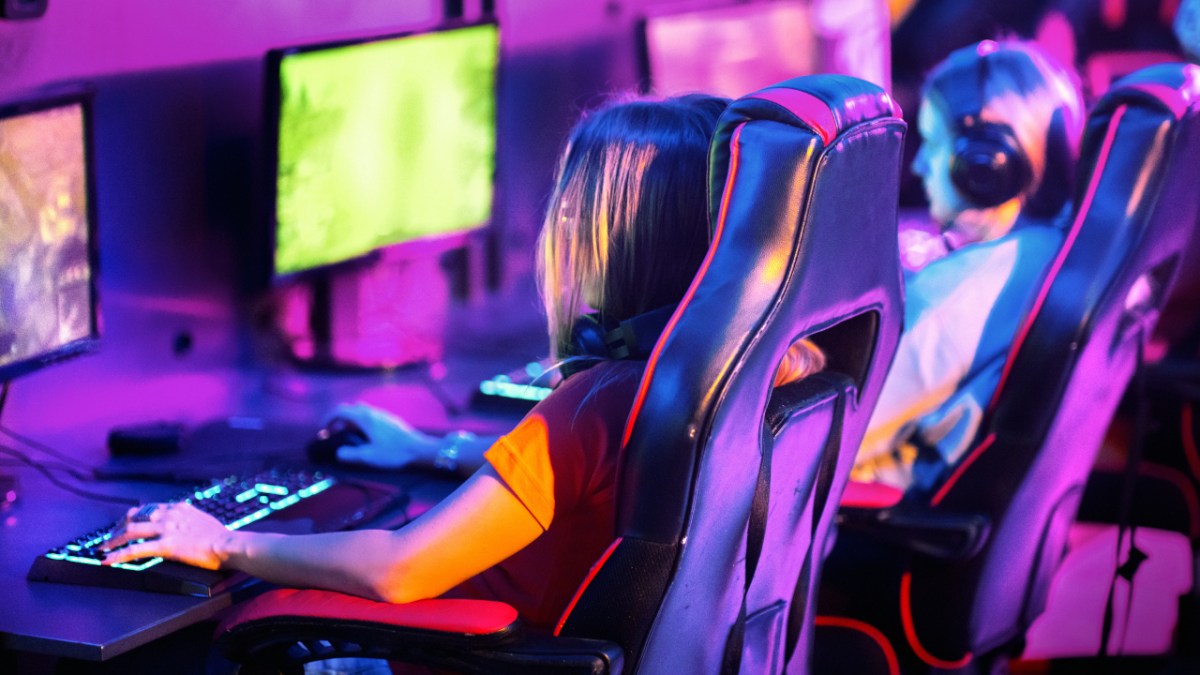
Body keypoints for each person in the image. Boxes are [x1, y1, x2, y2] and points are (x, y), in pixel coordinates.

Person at [102, 93, 825, 633]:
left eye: (570, 207)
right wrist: (430, 447)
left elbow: (401, 567)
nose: (556, 222)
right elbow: (602, 478)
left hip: (492, 648)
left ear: (614, 240)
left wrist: (225, 540)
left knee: (231, 637)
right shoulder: (745, 367)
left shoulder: (597, 402)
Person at [853, 40, 1085, 490]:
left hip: (872, 524)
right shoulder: (1051, 251)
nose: (918, 165)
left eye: (933, 144)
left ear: (988, 165)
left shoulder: (966, 292)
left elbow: (836, 437)